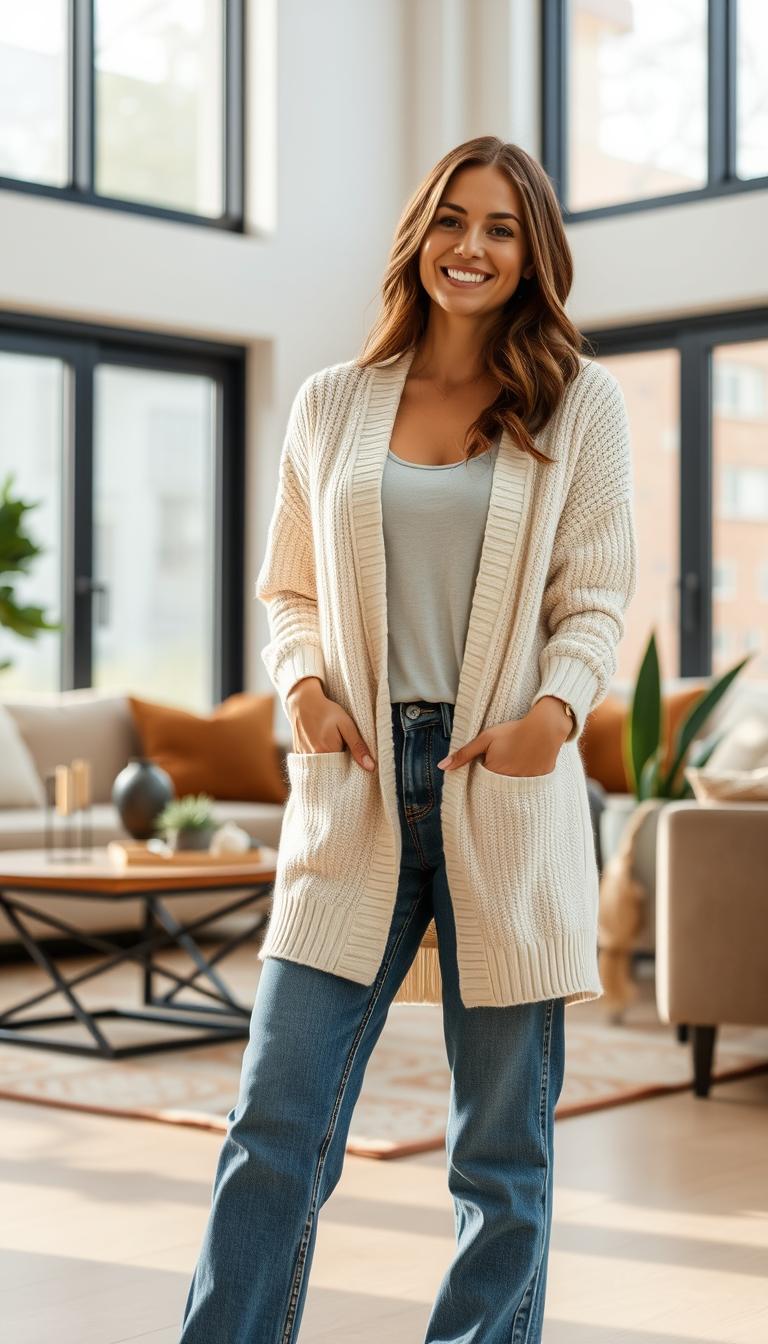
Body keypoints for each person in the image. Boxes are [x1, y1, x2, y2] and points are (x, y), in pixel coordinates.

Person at [178, 135, 638, 1343]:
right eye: (450, 219)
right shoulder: (332, 402)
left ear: (532, 255)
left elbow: (594, 597)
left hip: (506, 784)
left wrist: (552, 718)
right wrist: (302, 688)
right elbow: (289, 589)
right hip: (357, 785)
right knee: (274, 1124)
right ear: (417, 236)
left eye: (500, 228)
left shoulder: (579, 402)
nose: (470, 247)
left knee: (500, 1155)